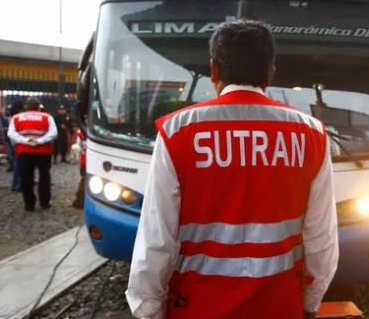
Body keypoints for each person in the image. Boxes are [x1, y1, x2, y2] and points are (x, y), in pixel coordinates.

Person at [126, 20, 339, 319]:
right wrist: (310, 303)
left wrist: (148, 310)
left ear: (213, 70)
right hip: (278, 307)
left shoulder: (177, 132)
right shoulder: (311, 134)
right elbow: (321, 238)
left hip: (197, 307)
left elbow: (156, 239)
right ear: (270, 73)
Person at [8, 97, 57, 211]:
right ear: (39, 106)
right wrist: (39, 141)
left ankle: (29, 204)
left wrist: (26, 141)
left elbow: (11, 133)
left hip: (24, 151)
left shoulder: (16, 118)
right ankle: (44, 202)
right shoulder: (47, 117)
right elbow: (53, 133)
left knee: (26, 178)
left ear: (26, 106)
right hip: (43, 151)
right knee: (44, 177)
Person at [7, 100, 25, 191]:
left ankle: (15, 184)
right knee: (19, 164)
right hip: (19, 142)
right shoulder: (19, 117)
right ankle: (18, 184)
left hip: (13, 141)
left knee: (16, 163)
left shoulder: (11, 116)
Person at [72, 127, 86, 209]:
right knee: (85, 179)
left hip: (86, 159)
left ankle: (80, 198)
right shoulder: (81, 132)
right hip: (85, 159)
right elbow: (78, 146)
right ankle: (80, 199)